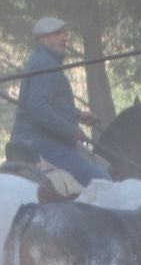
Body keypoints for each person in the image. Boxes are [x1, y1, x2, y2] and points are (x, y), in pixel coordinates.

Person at [10, 17, 110, 187]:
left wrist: (77, 115)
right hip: (43, 143)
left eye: (64, 33)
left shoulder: (41, 61)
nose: (64, 38)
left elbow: (51, 104)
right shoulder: (45, 63)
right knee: (103, 182)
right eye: (57, 34)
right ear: (42, 38)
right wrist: (70, 130)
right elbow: (39, 108)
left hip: (36, 140)